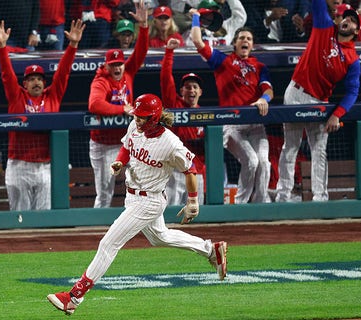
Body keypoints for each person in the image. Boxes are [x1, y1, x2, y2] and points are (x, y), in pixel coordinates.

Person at [47, 94, 228, 315]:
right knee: (160, 237)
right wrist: (119, 162)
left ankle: (74, 297)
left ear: (154, 118)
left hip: (149, 200)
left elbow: (192, 169)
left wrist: (192, 200)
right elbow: (127, 146)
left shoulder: (170, 142)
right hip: (133, 196)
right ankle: (210, 249)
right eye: (137, 116)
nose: (138, 120)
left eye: (143, 117)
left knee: (108, 244)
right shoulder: (135, 125)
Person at [0, 19, 86, 211]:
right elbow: (7, 74)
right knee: (20, 218)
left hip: (45, 166)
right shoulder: (17, 96)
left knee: (44, 217)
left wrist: (73, 45)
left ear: (44, 83)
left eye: (40, 79)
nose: (36, 82)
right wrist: (2, 47)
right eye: (31, 79)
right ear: (24, 83)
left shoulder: (53, 96)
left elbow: (63, 72)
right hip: (19, 165)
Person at [275, 0, 361, 202]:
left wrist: (337, 115)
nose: (348, 20)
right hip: (296, 92)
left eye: (353, 20)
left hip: (320, 101)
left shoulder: (353, 59)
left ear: (357, 31)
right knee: (291, 146)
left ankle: (320, 197)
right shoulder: (324, 26)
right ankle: (283, 195)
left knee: (319, 150)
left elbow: (352, 92)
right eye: (346, 16)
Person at [191, 11, 273, 204]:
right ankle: (241, 206)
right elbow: (197, 40)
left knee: (264, 164)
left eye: (249, 39)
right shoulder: (223, 60)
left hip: (255, 125)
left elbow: (268, 89)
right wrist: (196, 16)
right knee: (251, 161)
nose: (246, 41)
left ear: (252, 45)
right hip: (232, 125)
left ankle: (262, 205)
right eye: (242, 38)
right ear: (235, 43)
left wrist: (264, 99)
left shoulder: (260, 66)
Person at [88, 0, 148, 208]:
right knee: (105, 193)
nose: (117, 68)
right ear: (106, 65)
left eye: (119, 64)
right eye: (113, 65)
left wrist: (145, 27)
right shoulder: (101, 80)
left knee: (140, 183)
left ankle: (140, 222)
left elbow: (140, 53)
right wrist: (121, 109)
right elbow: (95, 105)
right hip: (103, 145)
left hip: (125, 141)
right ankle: (98, 231)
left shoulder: (128, 72)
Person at [161, 38, 205, 206]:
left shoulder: (206, 114)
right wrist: (169, 53)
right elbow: (165, 78)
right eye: (187, 87)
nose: (191, 90)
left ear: (200, 91)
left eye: (194, 87)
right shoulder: (175, 104)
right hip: (175, 172)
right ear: (181, 91)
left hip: (197, 173)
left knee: (196, 215)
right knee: (171, 213)